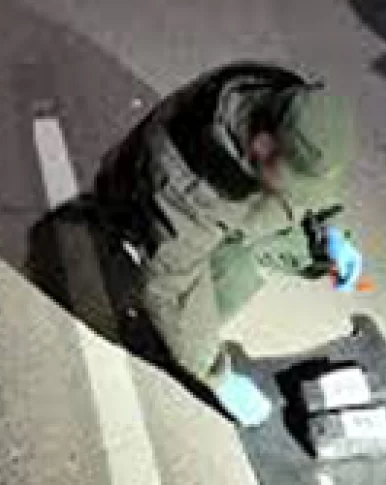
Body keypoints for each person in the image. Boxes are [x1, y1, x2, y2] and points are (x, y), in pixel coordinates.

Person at [92, 62, 363, 427]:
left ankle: (191, 320)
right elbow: (174, 290)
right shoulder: (187, 185)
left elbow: (315, 180)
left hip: (236, 194)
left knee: (312, 248)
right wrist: (216, 375)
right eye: (293, 182)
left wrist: (332, 230)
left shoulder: (284, 102)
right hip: (149, 212)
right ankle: (157, 337)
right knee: (228, 283)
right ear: (262, 144)